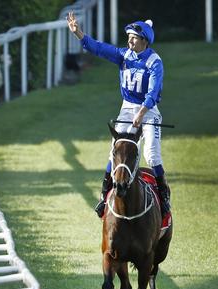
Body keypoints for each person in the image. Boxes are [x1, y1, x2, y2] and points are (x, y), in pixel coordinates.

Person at [66, 12, 170, 219]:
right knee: (115, 150)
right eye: (129, 36)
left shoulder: (154, 62)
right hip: (127, 108)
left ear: (145, 41)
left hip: (148, 111)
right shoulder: (124, 55)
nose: (129, 40)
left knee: (150, 154)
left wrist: (141, 113)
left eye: (134, 37)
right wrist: (79, 34)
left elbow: (153, 92)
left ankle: (163, 196)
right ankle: (105, 196)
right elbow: (98, 48)